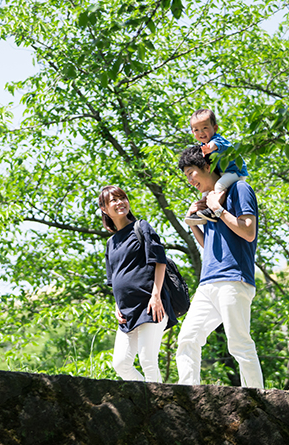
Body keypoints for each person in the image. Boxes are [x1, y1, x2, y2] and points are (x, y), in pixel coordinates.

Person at [176, 146, 264, 388]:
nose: (189, 180)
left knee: (238, 343)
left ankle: (259, 401)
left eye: (191, 173)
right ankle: (187, 395)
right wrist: (193, 223)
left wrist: (218, 209)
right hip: (208, 283)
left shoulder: (240, 189)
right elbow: (210, 247)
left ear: (207, 167)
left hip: (234, 280)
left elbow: (248, 231)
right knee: (188, 339)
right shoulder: (209, 201)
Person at [99, 185, 177, 383]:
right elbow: (114, 278)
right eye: (113, 200)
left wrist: (156, 295)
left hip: (151, 305)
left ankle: (159, 407)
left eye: (122, 198)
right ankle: (147, 400)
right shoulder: (111, 243)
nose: (120, 203)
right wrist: (117, 306)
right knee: (120, 364)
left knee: (147, 360)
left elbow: (160, 260)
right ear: (104, 209)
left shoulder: (140, 227)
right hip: (127, 312)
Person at [186, 108, 249, 225]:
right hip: (223, 173)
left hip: (235, 172)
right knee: (205, 192)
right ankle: (201, 210)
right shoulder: (202, 145)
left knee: (218, 186)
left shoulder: (218, 140)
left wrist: (209, 148)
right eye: (196, 130)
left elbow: (216, 145)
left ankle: (213, 211)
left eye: (205, 128)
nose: (201, 132)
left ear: (214, 128)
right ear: (192, 132)